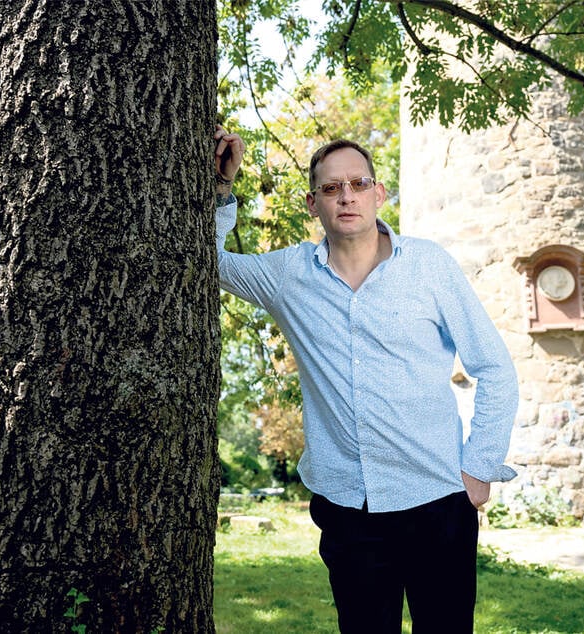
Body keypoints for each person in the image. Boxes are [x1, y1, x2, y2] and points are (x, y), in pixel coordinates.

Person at [213, 126, 518, 633]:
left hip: (438, 501)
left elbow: (495, 368)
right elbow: (208, 261)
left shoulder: (429, 266)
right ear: (314, 204)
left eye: (358, 183)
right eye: (332, 188)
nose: (347, 196)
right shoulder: (288, 276)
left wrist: (479, 468)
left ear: (378, 193)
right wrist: (223, 191)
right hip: (347, 509)